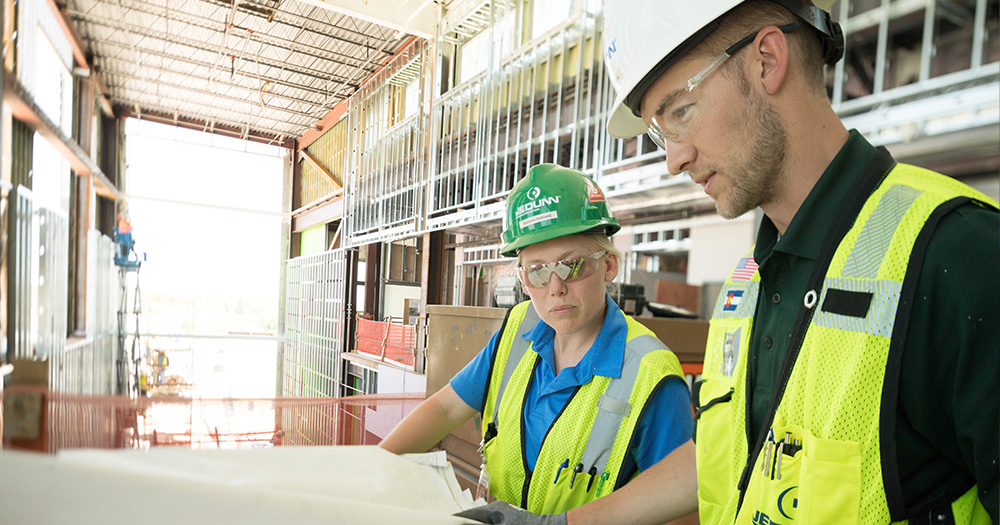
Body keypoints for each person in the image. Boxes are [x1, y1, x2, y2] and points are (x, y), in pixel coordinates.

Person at [598, 0, 999, 524]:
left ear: (767, 59)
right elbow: (727, 459)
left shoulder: (958, 257)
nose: (673, 158)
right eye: (659, 130)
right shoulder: (747, 283)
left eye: (679, 112)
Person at [379, 163, 698, 524]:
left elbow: (684, 509)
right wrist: (370, 467)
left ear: (609, 265)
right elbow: (445, 409)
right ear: (521, 278)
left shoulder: (649, 374)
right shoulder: (518, 329)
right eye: (537, 270)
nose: (555, 287)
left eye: (572, 265)